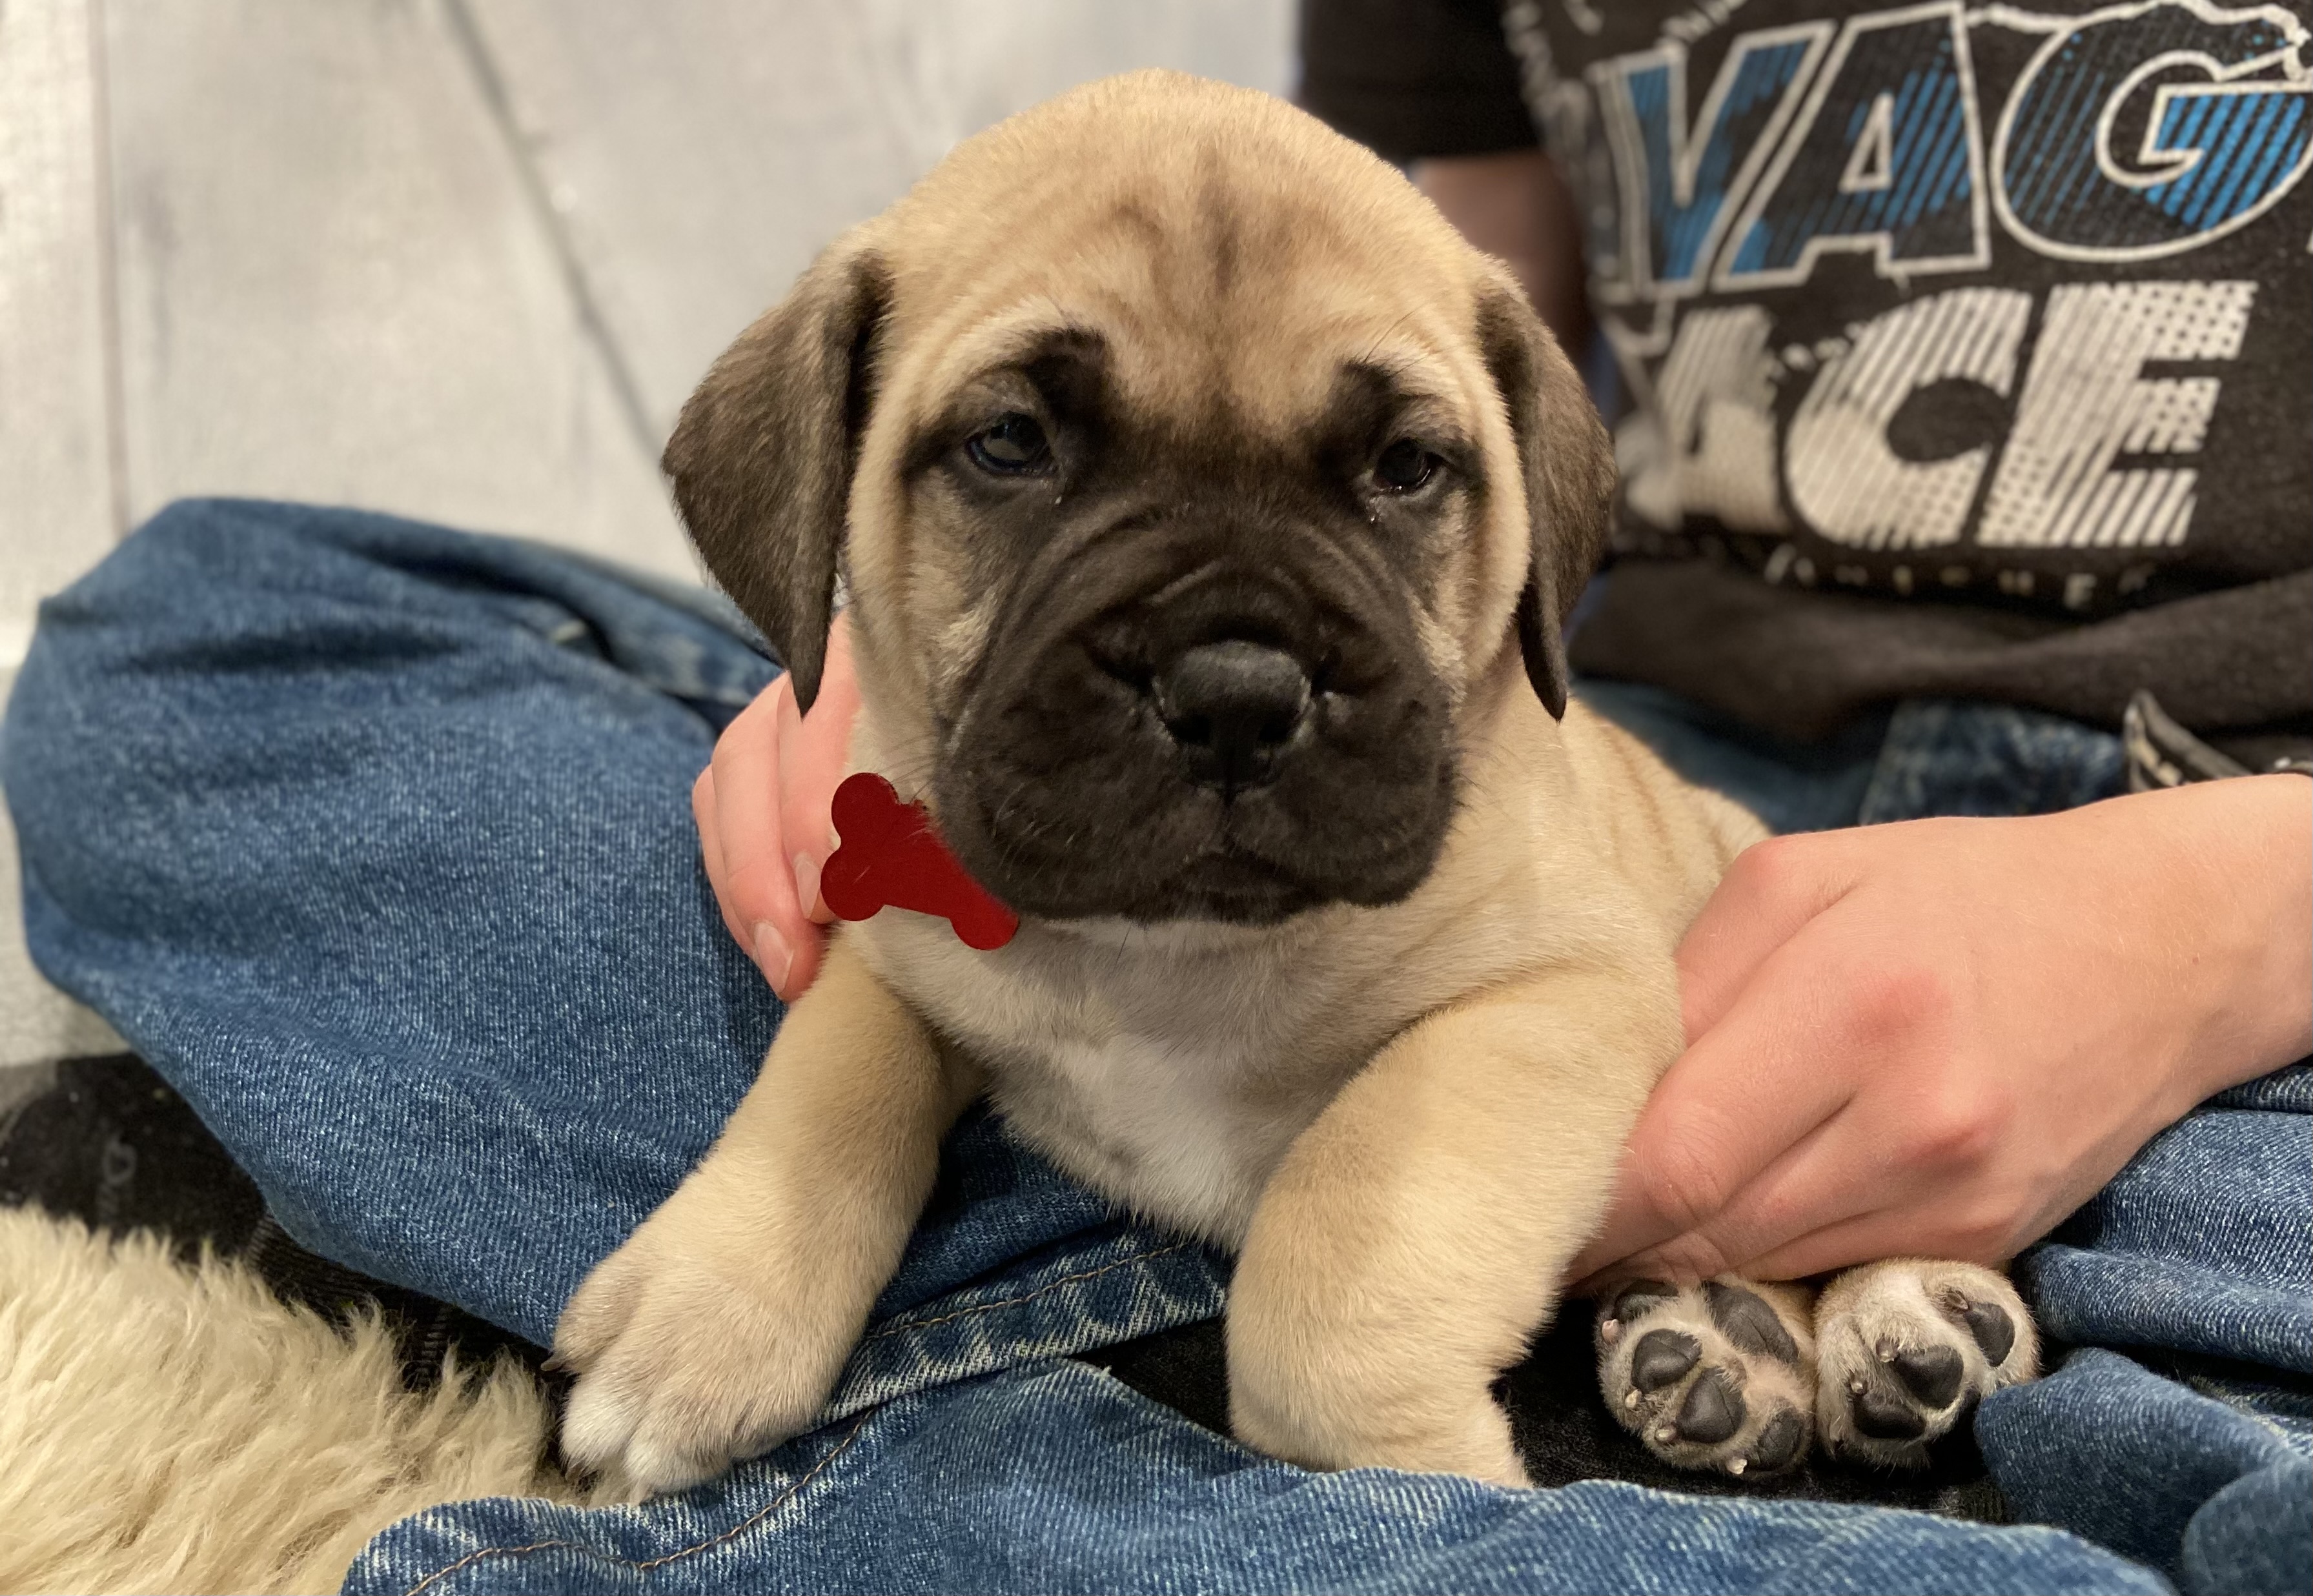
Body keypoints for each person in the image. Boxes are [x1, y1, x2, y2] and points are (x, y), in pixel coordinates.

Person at [3, 3, 2305, 1591]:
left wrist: (2220, 919)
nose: (1228, 665)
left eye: (1392, 467)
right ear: (831, 460)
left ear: (1511, 514)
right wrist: (831, 1030)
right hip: (1676, 719)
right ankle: (1456, 1437)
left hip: (2212, 939)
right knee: (197, 637)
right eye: (1014, 445)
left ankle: (1163, 1418)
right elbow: (1444, 280)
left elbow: (1564, 931)